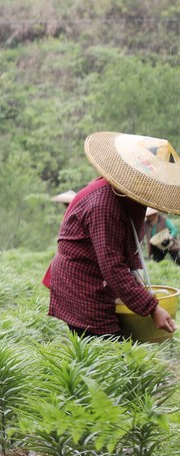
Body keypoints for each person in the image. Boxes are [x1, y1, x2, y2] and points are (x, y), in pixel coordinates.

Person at [47, 132, 177, 339]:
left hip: (100, 281)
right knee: (106, 349)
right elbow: (112, 265)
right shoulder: (105, 204)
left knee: (114, 349)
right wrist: (152, 308)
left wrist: (138, 289)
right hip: (83, 284)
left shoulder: (129, 197)